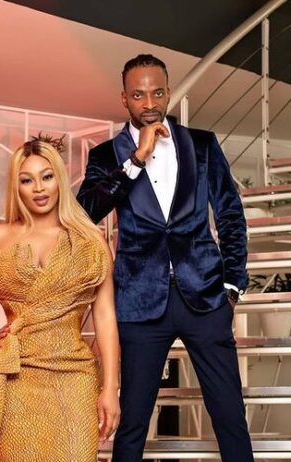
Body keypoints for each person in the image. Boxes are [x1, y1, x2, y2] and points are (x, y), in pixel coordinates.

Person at [77, 54, 253, 462]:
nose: (149, 103)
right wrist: (136, 159)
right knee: (133, 422)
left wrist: (232, 286)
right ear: (124, 99)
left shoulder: (202, 144)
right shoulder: (106, 155)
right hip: (140, 304)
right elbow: (86, 212)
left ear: (169, 93)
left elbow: (230, 213)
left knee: (230, 415)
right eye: (138, 95)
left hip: (205, 298)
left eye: (157, 93)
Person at [0, 139, 121, 461]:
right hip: (16, 376)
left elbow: (106, 317)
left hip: (75, 377)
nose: (39, 188)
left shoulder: (91, 240)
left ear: (59, 180)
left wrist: (110, 387)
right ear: (17, 186)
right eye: (27, 180)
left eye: (47, 176)